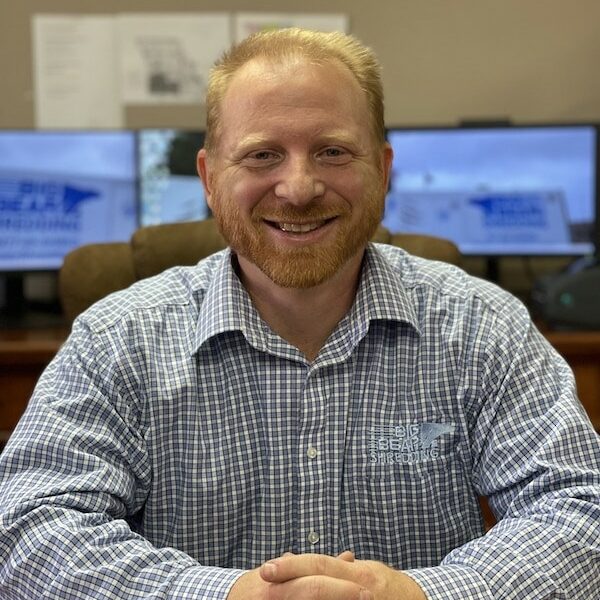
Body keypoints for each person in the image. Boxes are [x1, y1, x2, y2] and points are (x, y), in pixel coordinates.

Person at [0, 28, 599, 600]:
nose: (299, 187)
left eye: (332, 151)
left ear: (383, 170)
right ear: (210, 179)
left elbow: (581, 506)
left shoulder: (483, 327)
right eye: (262, 155)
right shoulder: (117, 339)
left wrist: (422, 592)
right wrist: (221, 594)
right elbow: (27, 528)